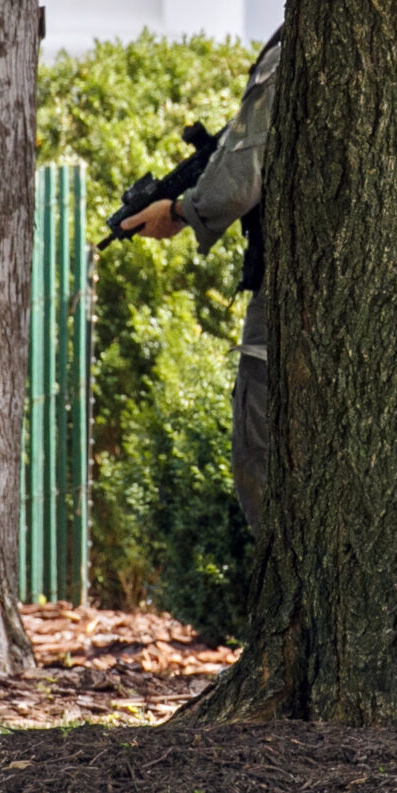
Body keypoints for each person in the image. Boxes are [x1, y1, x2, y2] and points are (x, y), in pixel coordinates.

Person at [118, 29, 280, 526]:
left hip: (293, 298)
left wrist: (184, 211)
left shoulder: (297, 43)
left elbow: (239, 178)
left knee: (263, 449)